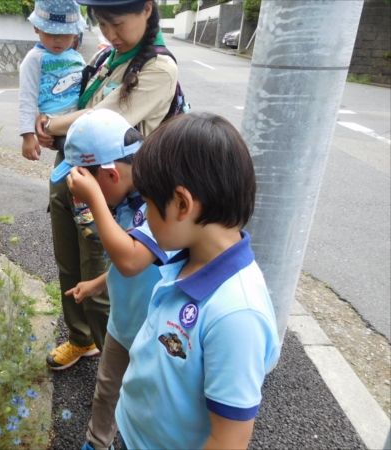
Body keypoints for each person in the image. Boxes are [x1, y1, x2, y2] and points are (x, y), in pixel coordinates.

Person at [114, 113, 281, 450]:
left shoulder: (237, 314)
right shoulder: (186, 258)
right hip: (134, 433)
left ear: (182, 204)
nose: (144, 215)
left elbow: (228, 439)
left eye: (147, 203)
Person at [37, 0, 178, 371]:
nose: (110, 33)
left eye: (117, 23)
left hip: (109, 187)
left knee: (99, 270)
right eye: (102, 23)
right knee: (69, 265)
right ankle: (81, 339)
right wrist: (60, 133)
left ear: (147, 9)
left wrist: (52, 125)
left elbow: (103, 119)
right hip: (72, 171)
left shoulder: (159, 68)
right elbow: (81, 110)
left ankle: (115, 364)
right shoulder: (107, 58)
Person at [50, 109, 171, 450]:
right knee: (107, 390)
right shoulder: (123, 195)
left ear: (110, 175)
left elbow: (133, 260)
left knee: (148, 399)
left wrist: (94, 203)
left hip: (157, 331)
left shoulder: (158, 200)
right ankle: (96, 443)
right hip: (123, 322)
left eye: (87, 185)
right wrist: (99, 283)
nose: (83, 194)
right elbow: (133, 260)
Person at [19, 0, 86, 161]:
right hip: (54, 121)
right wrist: (28, 136)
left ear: (75, 32)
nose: (58, 40)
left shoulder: (76, 56)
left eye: (65, 34)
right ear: (37, 28)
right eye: (51, 34)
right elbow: (27, 98)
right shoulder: (34, 59)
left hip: (78, 117)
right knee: (75, 158)